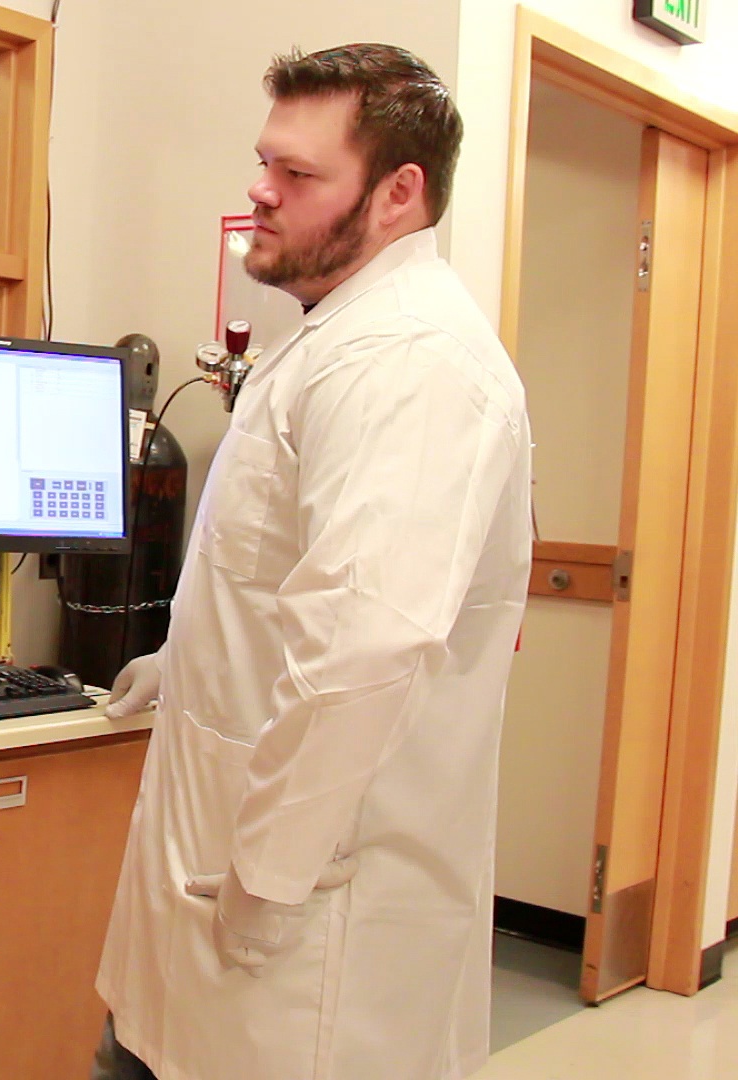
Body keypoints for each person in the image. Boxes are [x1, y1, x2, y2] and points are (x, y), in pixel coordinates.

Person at [93, 44, 533, 1080]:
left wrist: (268, 879)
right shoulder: (333, 336)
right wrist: (188, 660)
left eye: (297, 174)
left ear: (398, 193)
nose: (261, 191)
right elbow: (286, 576)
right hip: (206, 903)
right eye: (265, 162)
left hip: (305, 940)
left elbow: (365, 646)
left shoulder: (413, 363)